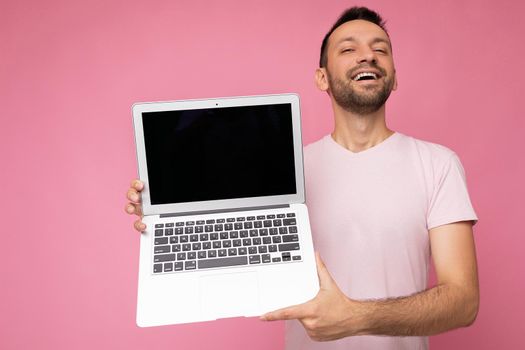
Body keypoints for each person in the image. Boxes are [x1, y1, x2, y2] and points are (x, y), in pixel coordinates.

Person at [125, 7, 479, 350]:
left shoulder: (437, 164)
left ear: (394, 76)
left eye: (380, 49)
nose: (367, 56)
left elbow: (463, 302)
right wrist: (168, 212)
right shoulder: (288, 171)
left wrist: (355, 317)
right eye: (349, 49)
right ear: (321, 77)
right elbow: (225, 223)